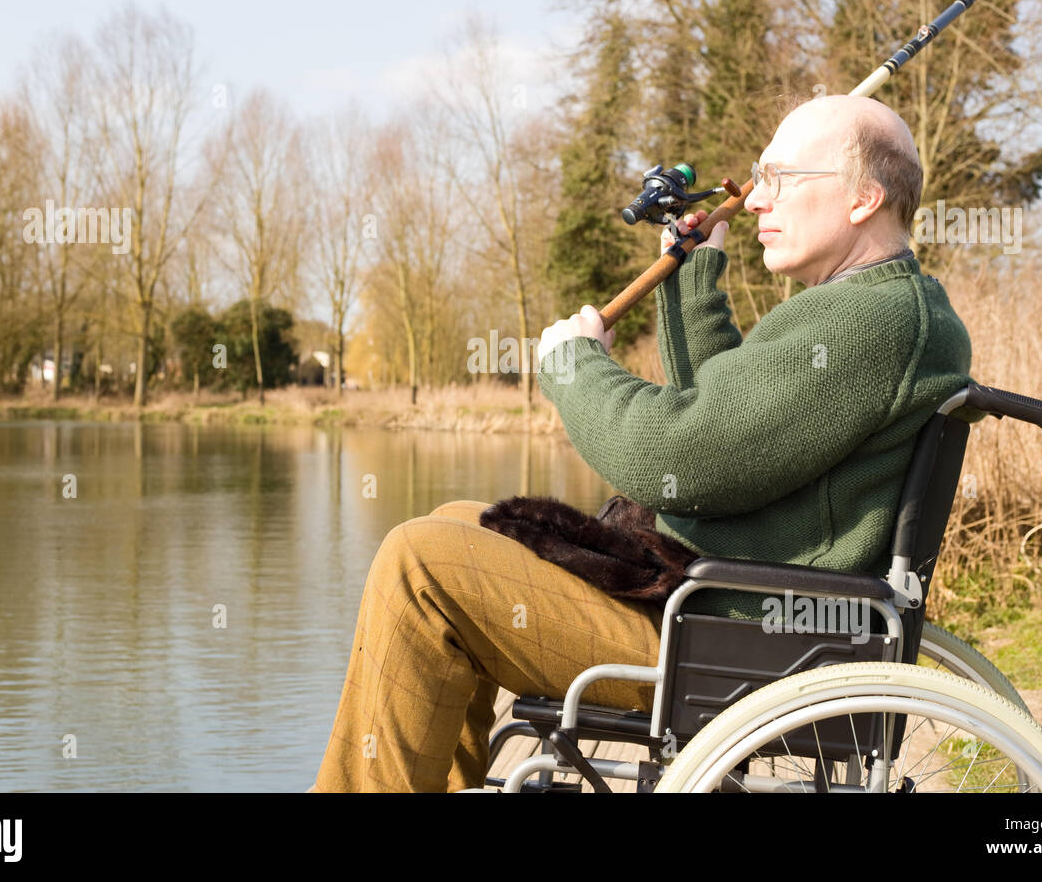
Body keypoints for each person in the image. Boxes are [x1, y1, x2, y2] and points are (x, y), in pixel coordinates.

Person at [309, 94, 973, 792]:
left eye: (780, 178)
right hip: (726, 614)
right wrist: (692, 278)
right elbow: (724, 413)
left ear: (864, 197)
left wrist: (576, 367)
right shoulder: (874, 307)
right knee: (456, 526)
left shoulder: (869, 320)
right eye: (759, 177)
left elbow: (678, 459)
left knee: (421, 565)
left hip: (737, 635)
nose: (752, 202)